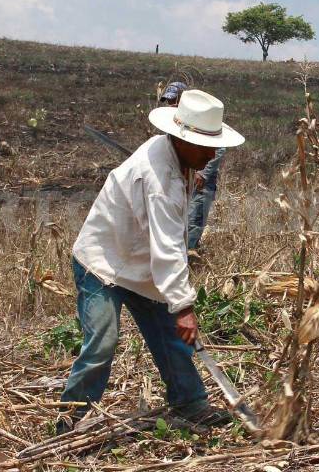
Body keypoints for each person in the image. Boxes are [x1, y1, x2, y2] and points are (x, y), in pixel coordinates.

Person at [58, 90, 245, 434]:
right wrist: (184, 305)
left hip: (141, 265)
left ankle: (189, 403)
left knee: (170, 335)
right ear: (180, 139)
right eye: (205, 147)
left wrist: (178, 309)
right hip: (103, 263)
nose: (211, 154)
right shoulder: (162, 181)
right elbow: (169, 247)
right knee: (102, 340)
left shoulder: (177, 158)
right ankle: (72, 420)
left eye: (214, 146)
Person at [160, 83, 226, 251]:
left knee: (194, 221)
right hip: (182, 181)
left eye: (175, 100)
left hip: (201, 184)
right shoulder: (175, 124)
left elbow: (216, 149)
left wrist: (202, 174)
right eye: (169, 101)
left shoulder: (203, 123)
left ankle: (189, 254)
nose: (171, 105)